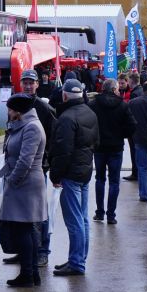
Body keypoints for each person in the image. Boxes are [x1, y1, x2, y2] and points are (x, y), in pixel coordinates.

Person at [3, 70, 57, 268]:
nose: (27, 85)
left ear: (36, 85)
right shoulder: (15, 104)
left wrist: (47, 161)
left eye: (31, 83)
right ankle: (23, 251)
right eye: (24, 82)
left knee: (38, 213)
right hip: (14, 167)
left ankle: (42, 251)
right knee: (20, 214)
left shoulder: (43, 108)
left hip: (36, 168)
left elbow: (53, 136)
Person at [49, 79, 99, 276]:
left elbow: (63, 150)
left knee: (75, 220)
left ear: (64, 95)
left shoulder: (67, 118)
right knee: (83, 218)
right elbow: (96, 141)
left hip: (71, 173)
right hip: (85, 170)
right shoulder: (90, 113)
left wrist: (55, 174)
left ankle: (77, 262)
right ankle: (78, 258)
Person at [0, 93, 47, 287]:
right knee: (25, 229)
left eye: (10, 109)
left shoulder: (32, 127)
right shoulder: (24, 125)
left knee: (23, 229)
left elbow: (25, 160)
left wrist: (12, 180)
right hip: (23, 183)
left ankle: (28, 274)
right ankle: (31, 273)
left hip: (25, 184)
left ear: (18, 111)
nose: (8, 112)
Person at [88, 78, 136, 225]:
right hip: (116, 147)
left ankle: (100, 212)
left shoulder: (94, 104)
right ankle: (111, 215)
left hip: (99, 146)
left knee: (99, 179)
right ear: (115, 89)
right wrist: (122, 134)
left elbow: (88, 123)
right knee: (114, 181)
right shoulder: (122, 105)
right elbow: (132, 125)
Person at [123, 72, 142, 181]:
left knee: (134, 150)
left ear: (131, 81)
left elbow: (131, 112)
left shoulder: (134, 94)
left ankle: (135, 172)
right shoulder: (141, 90)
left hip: (135, 127)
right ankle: (136, 171)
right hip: (141, 126)